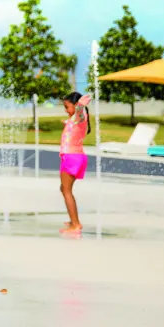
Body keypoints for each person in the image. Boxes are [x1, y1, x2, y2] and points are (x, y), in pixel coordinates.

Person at [59, 91, 91, 235]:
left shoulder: (80, 115)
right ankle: (74, 221)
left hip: (73, 157)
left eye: (67, 107)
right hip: (73, 157)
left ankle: (76, 225)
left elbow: (79, 113)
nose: (66, 110)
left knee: (67, 191)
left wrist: (79, 106)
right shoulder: (75, 119)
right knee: (64, 188)